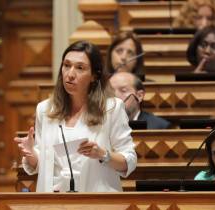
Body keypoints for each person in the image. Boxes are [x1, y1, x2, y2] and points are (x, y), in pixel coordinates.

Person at [14, 41, 137, 192]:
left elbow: (129, 160)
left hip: (96, 200)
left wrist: (102, 154)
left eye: (80, 68)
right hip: (54, 201)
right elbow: (43, 165)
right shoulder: (45, 110)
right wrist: (31, 153)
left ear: (94, 76)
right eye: (66, 65)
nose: (70, 74)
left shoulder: (112, 108)